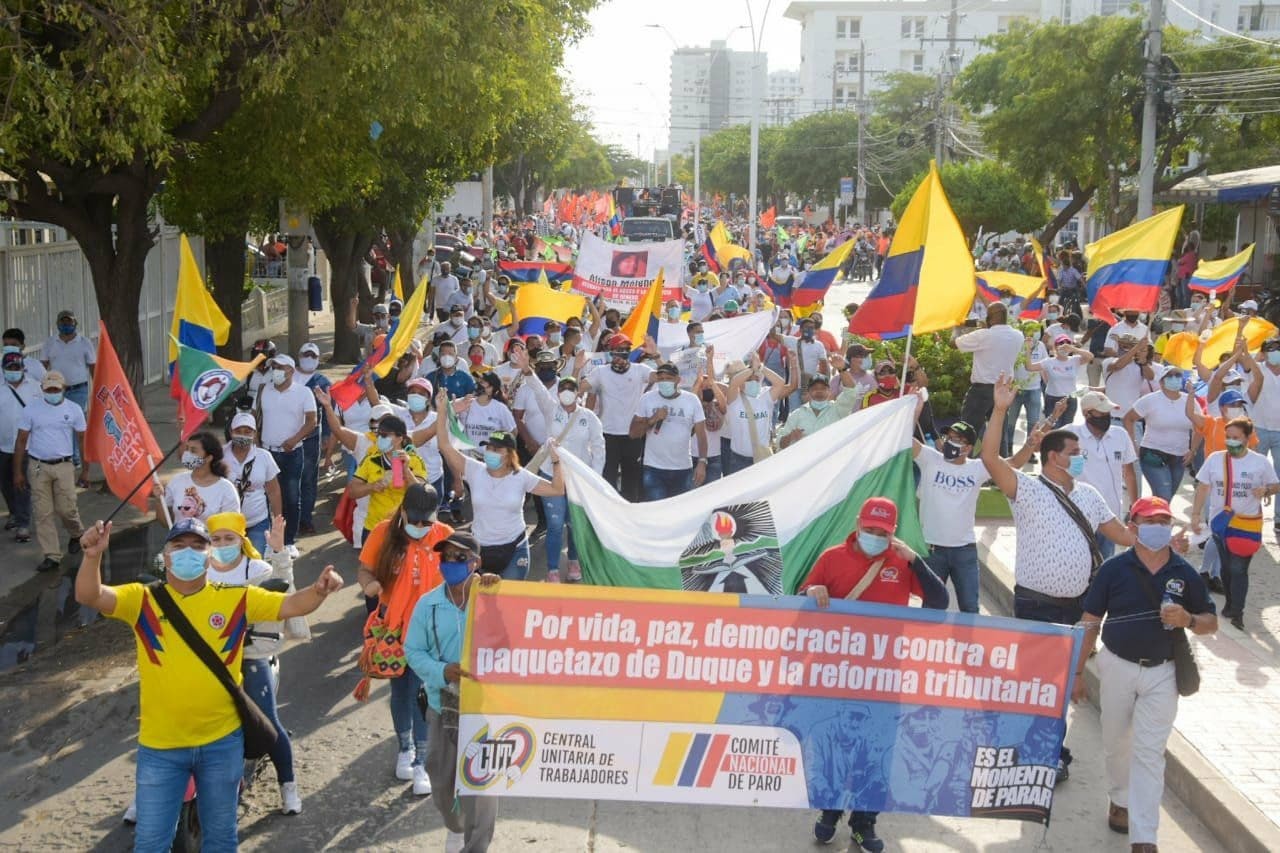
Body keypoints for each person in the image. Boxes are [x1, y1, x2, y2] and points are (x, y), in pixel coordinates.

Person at [73, 517, 341, 853]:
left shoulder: (236, 598)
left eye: (198, 546)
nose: (189, 552)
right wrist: (93, 556)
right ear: (165, 556)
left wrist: (319, 590)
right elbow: (89, 595)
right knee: (151, 843)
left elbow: (290, 605)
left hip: (222, 744)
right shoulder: (141, 600)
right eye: (179, 545)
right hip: (160, 749)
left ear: (209, 555)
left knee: (221, 838)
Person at [983, 373, 1134, 782]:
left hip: (1082, 607)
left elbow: (1121, 534)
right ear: (1053, 457)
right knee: (1036, 681)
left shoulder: (1089, 495)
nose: (1080, 456)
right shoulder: (1026, 489)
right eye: (1074, 451)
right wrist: (1000, 410)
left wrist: (1158, 536)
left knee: (1064, 682)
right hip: (1036, 603)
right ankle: (1034, 748)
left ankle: (1049, 746)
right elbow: (990, 459)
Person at [800, 497, 948, 851]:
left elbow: (939, 603)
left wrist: (916, 561)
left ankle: (864, 823)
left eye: (882, 532)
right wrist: (811, 591)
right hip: (838, 674)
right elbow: (801, 602)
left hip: (884, 676)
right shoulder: (831, 557)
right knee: (835, 747)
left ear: (893, 533)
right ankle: (829, 813)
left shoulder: (901, 561)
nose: (874, 536)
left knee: (876, 752)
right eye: (869, 529)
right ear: (857, 524)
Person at [1076, 496, 1217, 852]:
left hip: (1163, 673)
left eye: (1164, 521)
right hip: (1118, 665)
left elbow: (1210, 622)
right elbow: (1090, 622)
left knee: (1149, 753)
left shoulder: (1183, 573)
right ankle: (1119, 797)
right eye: (1151, 521)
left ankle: (1144, 836)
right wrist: (1076, 672)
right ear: (1134, 527)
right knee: (1115, 743)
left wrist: (1188, 620)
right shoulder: (1113, 569)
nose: (1159, 527)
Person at [404, 531, 502, 853]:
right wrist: (441, 671)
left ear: (477, 563)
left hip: (484, 709)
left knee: (482, 787)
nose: (452, 563)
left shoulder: (492, 598)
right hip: (440, 704)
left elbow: (513, 640)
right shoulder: (428, 605)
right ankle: (455, 827)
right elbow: (413, 651)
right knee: (442, 781)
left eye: (461, 558)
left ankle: (476, 846)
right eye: (446, 557)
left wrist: (497, 595)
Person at [356, 485, 452, 795]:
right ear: (403, 511)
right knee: (402, 689)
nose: (421, 527)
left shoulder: (445, 535)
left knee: (424, 693)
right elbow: (365, 569)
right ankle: (404, 749)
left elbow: (468, 571)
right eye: (415, 520)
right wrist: (369, 584)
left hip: (434, 630)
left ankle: (422, 762)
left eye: (427, 522)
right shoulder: (384, 532)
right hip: (395, 629)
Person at [206, 512, 303, 815]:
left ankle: (288, 785)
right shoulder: (201, 571)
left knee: (269, 723)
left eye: (229, 538)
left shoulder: (257, 568)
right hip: (212, 660)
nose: (222, 544)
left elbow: (285, 592)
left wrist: (279, 551)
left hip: (251, 655)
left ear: (241, 539)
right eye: (216, 539)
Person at [437, 391, 564, 578]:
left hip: (515, 549)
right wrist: (442, 412)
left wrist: (556, 462)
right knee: (479, 603)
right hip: (479, 550)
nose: (490, 452)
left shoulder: (522, 477)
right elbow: (445, 446)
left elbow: (557, 489)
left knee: (509, 602)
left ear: (509, 453)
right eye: (488, 447)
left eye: (496, 449)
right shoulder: (474, 469)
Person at [517, 359, 605, 582]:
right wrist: (527, 368)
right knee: (555, 525)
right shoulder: (550, 408)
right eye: (562, 389)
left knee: (575, 525)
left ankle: (573, 561)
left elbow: (598, 446)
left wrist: (595, 476)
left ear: (577, 393)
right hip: (551, 474)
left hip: (579, 478)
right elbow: (537, 388)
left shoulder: (589, 417)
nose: (566, 393)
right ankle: (553, 569)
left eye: (570, 389)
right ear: (557, 393)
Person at [1191, 416, 1279, 630]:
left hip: (1246, 524)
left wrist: (1266, 490)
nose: (1230, 441)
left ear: (1248, 438)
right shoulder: (1215, 459)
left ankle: (1237, 611)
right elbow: (1203, 486)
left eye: (1236, 438)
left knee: (1239, 569)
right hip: (1220, 524)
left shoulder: (1260, 462)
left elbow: (1276, 484)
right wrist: (1195, 514)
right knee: (1226, 569)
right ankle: (1230, 604)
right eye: (1228, 437)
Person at [13, 371, 86, 572]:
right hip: (38, 466)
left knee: (67, 509)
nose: (52, 392)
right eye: (49, 389)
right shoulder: (31, 410)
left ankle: (76, 533)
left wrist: (85, 470)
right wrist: (17, 471)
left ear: (63, 389)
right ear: (43, 389)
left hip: (64, 465)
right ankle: (52, 555)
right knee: (42, 512)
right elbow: (21, 440)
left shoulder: (74, 409)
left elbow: (82, 439)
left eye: (56, 389)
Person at [913, 421, 988, 613]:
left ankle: (968, 644)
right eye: (949, 438)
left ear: (969, 448)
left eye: (958, 440)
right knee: (930, 607)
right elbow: (906, 440)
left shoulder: (978, 468)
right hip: (932, 550)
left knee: (970, 607)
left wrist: (1030, 444)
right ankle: (928, 644)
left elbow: (1011, 465)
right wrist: (913, 410)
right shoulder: (931, 459)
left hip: (965, 550)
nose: (951, 442)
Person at [1067, 392, 1140, 562]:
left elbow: (1129, 473)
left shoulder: (1120, 435)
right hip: (1078, 515)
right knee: (1080, 564)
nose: (1106, 417)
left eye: (1108, 413)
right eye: (1102, 413)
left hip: (1110, 516)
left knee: (1105, 564)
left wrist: (1135, 507)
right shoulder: (1070, 433)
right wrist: (1052, 418)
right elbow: (1040, 448)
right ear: (1087, 413)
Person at [581, 335, 654, 501]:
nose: (622, 355)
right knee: (608, 481)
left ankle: (629, 518)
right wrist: (578, 369)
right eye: (618, 351)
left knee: (631, 481)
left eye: (626, 351)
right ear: (610, 353)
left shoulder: (640, 369)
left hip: (633, 435)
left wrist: (656, 355)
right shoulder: (600, 372)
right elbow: (577, 389)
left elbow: (665, 377)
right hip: (607, 434)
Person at [257, 355, 317, 555]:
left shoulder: (303, 392)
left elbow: (311, 421)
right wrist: (257, 445)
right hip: (267, 452)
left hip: (291, 453)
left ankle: (289, 540)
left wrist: (294, 438)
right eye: (273, 366)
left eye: (280, 367)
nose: (275, 370)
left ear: (291, 370)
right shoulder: (264, 389)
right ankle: (270, 539)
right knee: (267, 498)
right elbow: (258, 418)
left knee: (291, 497)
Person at [631, 363, 708, 500]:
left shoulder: (691, 400)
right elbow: (633, 433)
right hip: (654, 469)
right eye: (661, 379)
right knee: (657, 513)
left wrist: (702, 462)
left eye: (668, 378)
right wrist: (653, 419)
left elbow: (701, 435)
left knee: (679, 513)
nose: (664, 382)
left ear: (678, 380)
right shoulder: (647, 399)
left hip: (683, 469)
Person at [953, 302, 1023, 440]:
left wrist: (958, 327)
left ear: (989, 318)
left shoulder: (983, 335)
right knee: (998, 433)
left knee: (967, 432)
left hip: (981, 391)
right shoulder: (1018, 335)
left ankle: (966, 460)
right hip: (1003, 390)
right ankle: (1000, 459)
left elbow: (954, 343)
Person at [40, 309, 96, 481]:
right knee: (60, 423)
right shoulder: (50, 343)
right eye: (63, 322)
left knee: (76, 425)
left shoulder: (84, 343)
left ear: (75, 324)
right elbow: (43, 365)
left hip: (78, 389)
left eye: (69, 322)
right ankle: (71, 459)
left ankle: (77, 460)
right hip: (56, 391)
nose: (66, 325)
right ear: (58, 324)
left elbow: (93, 366)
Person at [1125, 366, 1194, 502]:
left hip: (1179, 457)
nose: (1174, 378)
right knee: (1163, 496)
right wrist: (1132, 444)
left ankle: (1149, 519)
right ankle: (1153, 520)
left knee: (1166, 498)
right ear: (1161, 382)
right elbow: (1129, 418)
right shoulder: (1150, 400)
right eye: (1170, 376)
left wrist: (1193, 450)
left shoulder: (1190, 400)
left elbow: (1198, 425)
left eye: (1177, 375)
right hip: (1153, 455)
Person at [350, 416, 427, 537]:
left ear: (400, 438)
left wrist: (406, 470)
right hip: (375, 528)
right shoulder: (371, 460)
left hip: (404, 529)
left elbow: (422, 495)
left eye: (385, 435)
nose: (380, 438)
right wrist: (371, 487)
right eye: (379, 434)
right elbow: (352, 492)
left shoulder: (415, 460)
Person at [723, 353, 797, 475]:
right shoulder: (734, 398)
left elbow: (780, 382)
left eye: (757, 378)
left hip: (762, 458)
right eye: (749, 379)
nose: (754, 381)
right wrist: (751, 369)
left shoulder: (765, 396)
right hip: (738, 460)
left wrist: (760, 368)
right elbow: (735, 382)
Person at [223, 413, 283, 555]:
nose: (243, 435)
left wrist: (278, 523)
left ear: (255, 434)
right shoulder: (219, 455)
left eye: (247, 432)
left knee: (256, 566)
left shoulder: (264, 457)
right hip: (227, 524)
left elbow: (274, 491)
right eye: (238, 431)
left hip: (257, 522)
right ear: (231, 432)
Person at [0, 351, 39, 543]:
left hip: (26, 446)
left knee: (22, 483)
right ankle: (14, 513)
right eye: (10, 368)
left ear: (23, 368)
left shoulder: (34, 388)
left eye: (16, 367)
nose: (13, 371)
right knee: (5, 484)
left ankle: (23, 524)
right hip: (3, 445)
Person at [164, 431, 241, 523]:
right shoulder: (176, 481)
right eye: (187, 449)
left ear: (208, 458)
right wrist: (158, 499)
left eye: (193, 450)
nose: (187, 454)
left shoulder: (226, 488)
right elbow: (165, 521)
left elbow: (231, 525)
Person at [294, 342, 330, 536]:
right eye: (305, 354)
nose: (309, 358)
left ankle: (305, 519)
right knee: (289, 479)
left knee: (307, 479)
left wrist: (327, 436)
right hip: (288, 436)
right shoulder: (289, 375)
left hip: (310, 438)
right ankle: (289, 516)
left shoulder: (321, 381)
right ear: (299, 356)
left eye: (313, 355)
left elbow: (327, 410)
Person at [777, 374, 859, 448]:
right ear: (808, 392)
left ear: (829, 391)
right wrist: (791, 436)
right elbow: (780, 444)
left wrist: (842, 369)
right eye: (815, 388)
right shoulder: (797, 414)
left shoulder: (838, 409)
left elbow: (851, 391)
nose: (819, 391)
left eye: (823, 388)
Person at [1032, 334, 1093, 427]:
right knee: (1053, 428)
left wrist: (1074, 349)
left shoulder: (1075, 360)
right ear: (1055, 347)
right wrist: (1028, 350)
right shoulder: (1049, 361)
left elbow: (1090, 356)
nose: (1065, 345)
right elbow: (1029, 367)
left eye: (1068, 343)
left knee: (1067, 428)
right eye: (1061, 343)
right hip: (1053, 398)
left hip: (1071, 398)